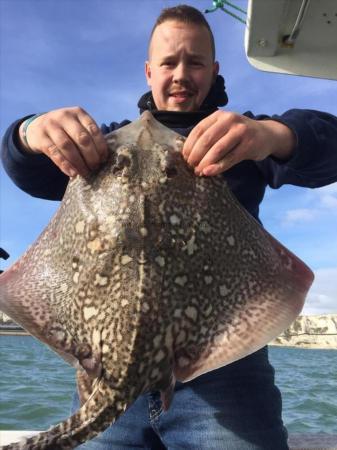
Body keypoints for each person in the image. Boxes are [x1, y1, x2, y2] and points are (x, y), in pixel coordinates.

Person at [1, 5, 337, 450]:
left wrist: (272, 135)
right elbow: (29, 170)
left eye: (195, 62)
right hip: (106, 369)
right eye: (168, 62)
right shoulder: (105, 148)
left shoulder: (238, 139)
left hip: (224, 373)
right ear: (148, 71)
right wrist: (29, 131)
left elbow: (329, 143)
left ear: (214, 70)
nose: (181, 74)